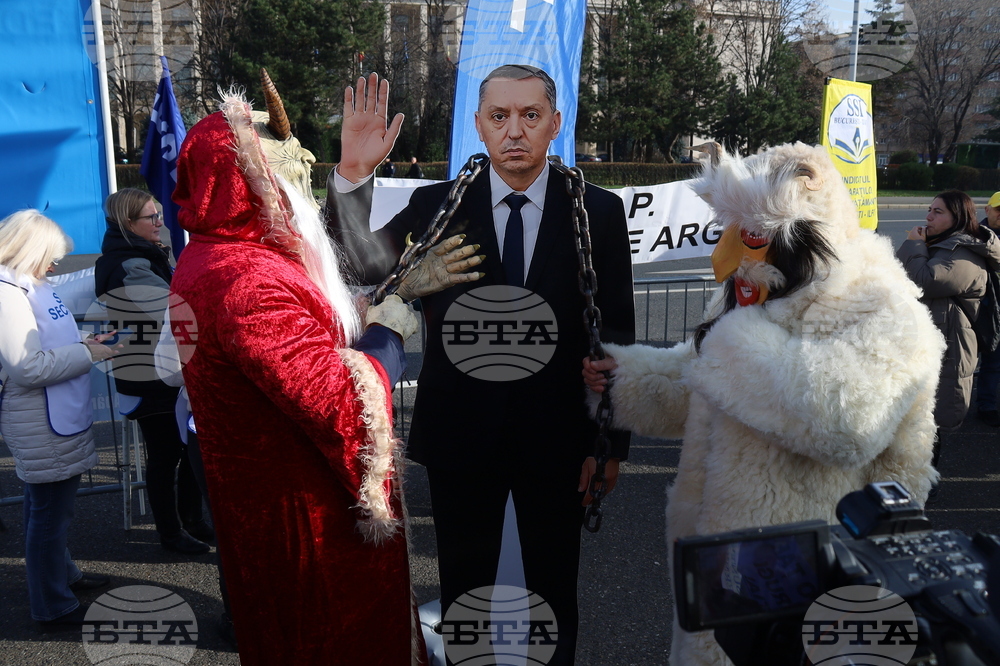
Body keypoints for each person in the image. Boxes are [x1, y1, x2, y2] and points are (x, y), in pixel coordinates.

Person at [582, 142, 944, 665]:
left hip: (821, 576)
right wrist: (622, 381)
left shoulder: (882, 303)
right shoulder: (757, 293)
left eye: (755, 237)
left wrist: (736, 338)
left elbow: (846, 422)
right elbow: (706, 381)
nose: (738, 255)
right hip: (716, 567)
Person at [326, 66, 635, 664]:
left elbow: (615, 336)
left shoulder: (595, 212)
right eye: (499, 117)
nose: (514, 131)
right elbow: (354, 265)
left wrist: (610, 444)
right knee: (465, 592)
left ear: (555, 123)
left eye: (529, 116)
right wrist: (352, 175)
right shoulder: (436, 205)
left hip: (560, 438)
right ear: (479, 125)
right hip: (461, 435)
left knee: (554, 593)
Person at [168, 92, 468, 665]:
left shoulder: (226, 256)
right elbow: (344, 400)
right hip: (306, 518)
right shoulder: (244, 280)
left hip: (271, 507)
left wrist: (391, 290)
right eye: (290, 164)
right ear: (245, 179)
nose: (303, 170)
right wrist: (391, 331)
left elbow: (308, 321)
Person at [0, 210, 117, 629]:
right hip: (40, 419)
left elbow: (48, 343)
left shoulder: (27, 285)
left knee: (47, 511)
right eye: (51, 256)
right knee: (49, 515)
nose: (55, 265)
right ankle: (52, 603)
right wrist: (88, 353)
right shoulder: (7, 293)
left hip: (50, 416)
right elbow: (26, 367)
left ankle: (62, 578)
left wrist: (84, 342)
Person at [94, 188, 212, 555]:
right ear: (129, 224)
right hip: (148, 375)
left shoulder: (143, 254)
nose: (162, 222)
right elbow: (174, 306)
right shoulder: (129, 263)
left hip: (161, 370)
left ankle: (191, 521)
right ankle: (171, 533)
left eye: (160, 214)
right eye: (152, 217)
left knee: (185, 448)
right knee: (166, 455)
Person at [897, 190, 1000, 467]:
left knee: (932, 421)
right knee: (916, 417)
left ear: (958, 217)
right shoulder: (941, 243)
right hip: (931, 341)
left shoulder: (964, 252)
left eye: (938, 212)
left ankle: (927, 483)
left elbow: (924, 281)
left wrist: (914, 245)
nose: (928, 216)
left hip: (951, 345)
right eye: (929, 209)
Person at [974, 191, 1000, 426]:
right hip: (983, 309)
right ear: (988, 210)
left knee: (994, 361)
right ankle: (984, 406)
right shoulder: (978, 237)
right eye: (999, 209)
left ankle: (988, 404)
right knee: (983, 360)